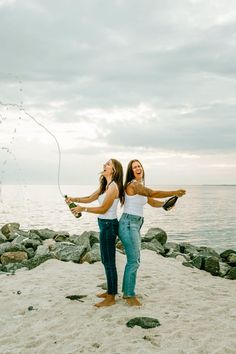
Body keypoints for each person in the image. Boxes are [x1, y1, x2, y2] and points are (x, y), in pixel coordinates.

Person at [119, 159, 186, 306]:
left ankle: (126, 292)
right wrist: (174, 192)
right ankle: (129, 296)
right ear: (131, 171)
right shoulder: (133, 185)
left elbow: (152, 200)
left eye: (139, 166)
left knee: (133, 260)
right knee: (134, 261)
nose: (137, 168)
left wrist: (165, 204)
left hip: (133, 224)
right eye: (134, 167)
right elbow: (153, 192)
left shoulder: (140, 186)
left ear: (142, 168)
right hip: (129, 224)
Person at [65, 159, 124, 308]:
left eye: (108, 164)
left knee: (110, 262)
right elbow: (90, 198)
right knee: (105, 260)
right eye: (105, 164)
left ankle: (111, 297)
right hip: (103, 224)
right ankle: (110, 291)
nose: (104, 165)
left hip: (109, 225)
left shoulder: (114, 187)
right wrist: (74, 199)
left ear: (114, 170)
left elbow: (104, 209)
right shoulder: (105, 186)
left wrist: (82, 209)